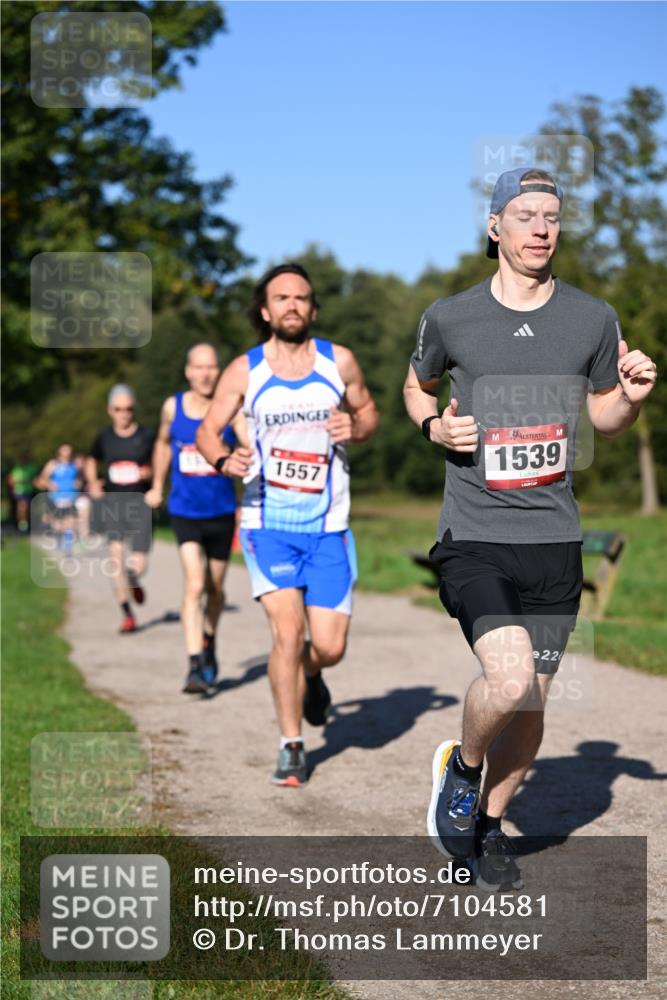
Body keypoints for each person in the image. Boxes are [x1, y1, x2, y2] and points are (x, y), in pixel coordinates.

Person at [404, 167, 657, 890]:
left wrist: (631, 398)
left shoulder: (591, 316)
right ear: (494, 228)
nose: (541, 229)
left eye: (551, 216)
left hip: (553, 537)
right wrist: (432, 425)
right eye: (525, 215)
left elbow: (605, 418)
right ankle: (462, 769)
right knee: (507, 676)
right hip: (474, 531)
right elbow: (414, 384)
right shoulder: (451, 316)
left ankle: (483, 826)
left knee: (532, 699)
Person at [197, 263, 379, 786]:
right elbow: (209, 432)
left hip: (328, 524)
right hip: (265, 522)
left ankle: (313, 675)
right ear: (265, 310)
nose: (292, 306)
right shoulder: (244, 371)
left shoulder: (337, 361)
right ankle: (291, 744)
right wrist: (222, 458)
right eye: (281, 298)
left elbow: (369, 414)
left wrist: (356, 426)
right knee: (287, 632)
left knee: (329, 646)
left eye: (301, 298)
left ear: (313, 309)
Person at [145, 343, 243, 694]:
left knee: (215, 591)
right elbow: (161, 443)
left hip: (221, 512)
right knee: (195, 584)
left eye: (212, 367)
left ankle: (209, 642)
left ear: (219, 372)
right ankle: (194, 665)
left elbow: (250, 449)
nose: (205, 374)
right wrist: (157, 484)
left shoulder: (231, 408)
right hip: (184, 511)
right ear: (188, 371)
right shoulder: (173, 407)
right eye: (199, 367)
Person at [85, 385, 155, 633]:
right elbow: (91, 460)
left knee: (139, 563)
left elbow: (160, 463)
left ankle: (134, 578)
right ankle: (127, 615)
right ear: (110, 410)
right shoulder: (104, 438)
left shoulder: (146, 436)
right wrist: (93, 482)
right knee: (115, 561)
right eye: (118, 410)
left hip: (140, 505)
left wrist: (151, 473)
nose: (124, 414)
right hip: (113, 505)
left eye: (128, 409)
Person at [34, 443, 81, 555]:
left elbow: (79, 478)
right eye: (64, 450)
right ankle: (59, 538)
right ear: (59, 452)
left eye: (68, 450)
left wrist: (78, 483)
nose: (67, 453)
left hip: (70, 496)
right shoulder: (53, 464)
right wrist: (50, 484)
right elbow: (42, 478)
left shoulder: (74, 465)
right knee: (58, 523)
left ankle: (68, 547)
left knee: (70, 521)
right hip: (56, 497)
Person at [7, 453, 38, 533]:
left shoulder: (32, 468)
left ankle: (25, 523)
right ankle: (22, 525)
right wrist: (19, 481)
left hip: (30, 491)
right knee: (22, 506)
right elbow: (10, 481)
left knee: (27, 508)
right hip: (19, 492)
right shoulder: (16, 469)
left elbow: (37, 479)